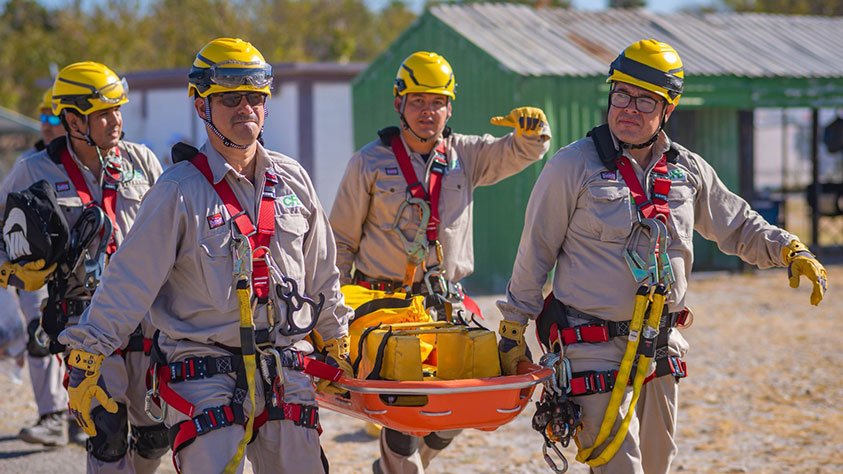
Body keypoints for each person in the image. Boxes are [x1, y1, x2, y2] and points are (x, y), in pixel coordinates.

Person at [496, 39, 829, 474]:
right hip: (590, 347)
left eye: (645, 100)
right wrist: (512, 327)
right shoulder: (571, 166)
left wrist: (788, 248)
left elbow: (737, 224)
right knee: (620, 467)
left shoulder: (687, 170)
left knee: (658, 465)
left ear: (668, 109)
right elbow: (535, 251)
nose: (629, 109)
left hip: (659, 348)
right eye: (621, 94)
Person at [58, 37, 352, 474]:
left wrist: (337, 339)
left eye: (255, 97)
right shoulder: (177, 191)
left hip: (283, 368)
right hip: (203, 376)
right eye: (230, 98)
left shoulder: (294, 180)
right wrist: (88, 356)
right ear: (201, 106)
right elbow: (128, 282)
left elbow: (323, 274)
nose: (245, 108)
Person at [329, 51, 551, 474]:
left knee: (462, 401)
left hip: (446, 304)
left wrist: (534, 131)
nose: (428, 111)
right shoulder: (368, 163)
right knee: (404, 404)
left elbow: (517, 152)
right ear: (399, 103)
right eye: (417, 101)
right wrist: (335, 317)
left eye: (437, 102)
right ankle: (401, 467)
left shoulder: (467, 155)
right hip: (385, 306)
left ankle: (405, 466)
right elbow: (339, 241)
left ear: (450, 107)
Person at [0, 62, 166, 472]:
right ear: (73, 120)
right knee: (107, 434)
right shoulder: (33, 171)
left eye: (118, 110)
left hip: (146, 323)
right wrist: (17, 273)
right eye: (104, 113)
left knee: (155, 437)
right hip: (84, 327)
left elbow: (173, 233)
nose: (116, 120)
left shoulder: (143, 161)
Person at [6, 87, 72, 447]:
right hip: (36, 273)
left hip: (82, 274)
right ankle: (52, 416)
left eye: (53, 117)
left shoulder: (90, 164)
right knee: (39, 336)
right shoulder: (28, 164)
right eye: (42, 116)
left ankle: (81, 416)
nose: (46, 124)